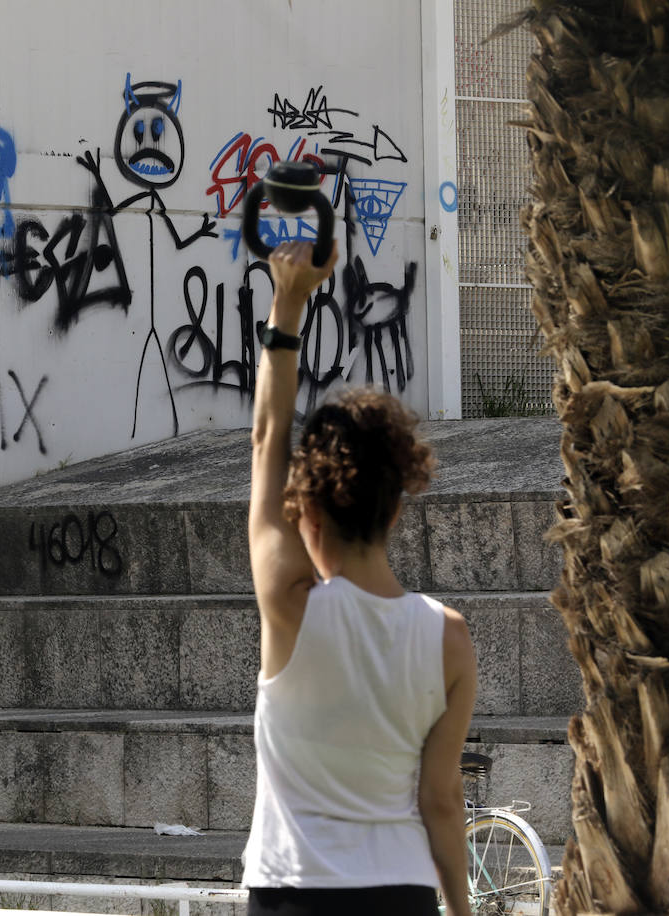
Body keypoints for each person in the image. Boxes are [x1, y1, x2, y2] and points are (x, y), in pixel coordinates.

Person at [243, 240, 477, 916]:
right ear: (398, 504)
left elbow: (267, 438)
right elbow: (439, 800)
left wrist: (288, 303)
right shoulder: (449, 641)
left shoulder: (291, 609)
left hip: (292, 893)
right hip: (400, 895)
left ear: (305, 510)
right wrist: (460, 908)